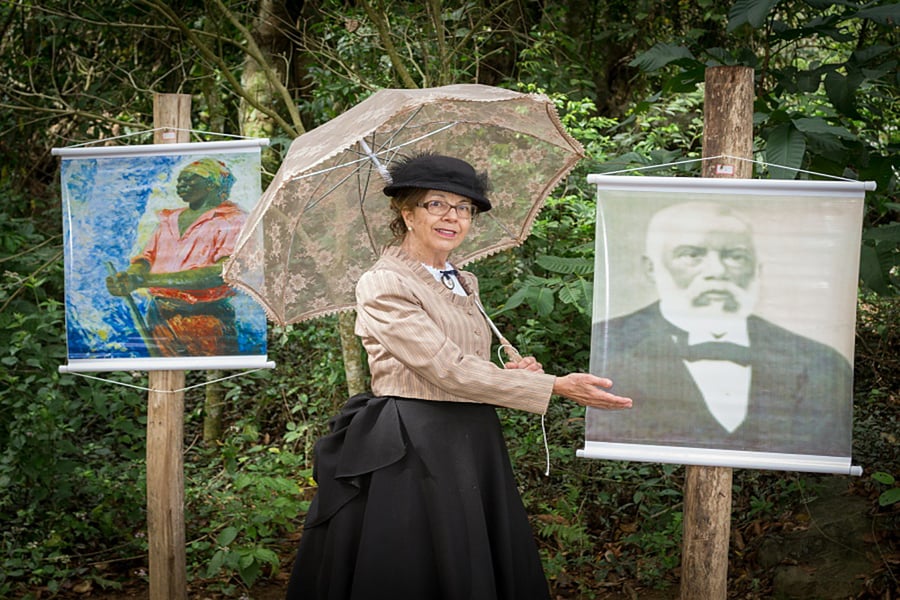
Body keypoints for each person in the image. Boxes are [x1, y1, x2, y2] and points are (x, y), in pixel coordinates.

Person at [285, 154, 632, 600]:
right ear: (406, 214)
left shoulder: (464, 279)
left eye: (465, 207)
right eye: (436, 204)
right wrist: (551, 386)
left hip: (470, 435)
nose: (453, 216)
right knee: (421, 565)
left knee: (470, 558)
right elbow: (444, 368)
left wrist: (514, 373)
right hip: (415, 443)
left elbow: (466, 366)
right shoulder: (383, 283)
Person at [587, 201, 853, 456]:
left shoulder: (822, 364)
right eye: (691, 254)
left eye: (735, 256)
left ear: (757, 270)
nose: (716, 271)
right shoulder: (608, 345)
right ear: (651, 269)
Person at [105, 157, 247, 356]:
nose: (181, 184)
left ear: (210, 184)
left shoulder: (232, 220)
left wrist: (143, 280)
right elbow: (146, 258)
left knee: (206, 373)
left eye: (190, 179)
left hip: (205, 320)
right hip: (160, 316)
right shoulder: (169, 220)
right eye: (180, 180)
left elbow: (222, 272)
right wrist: (129, 277)